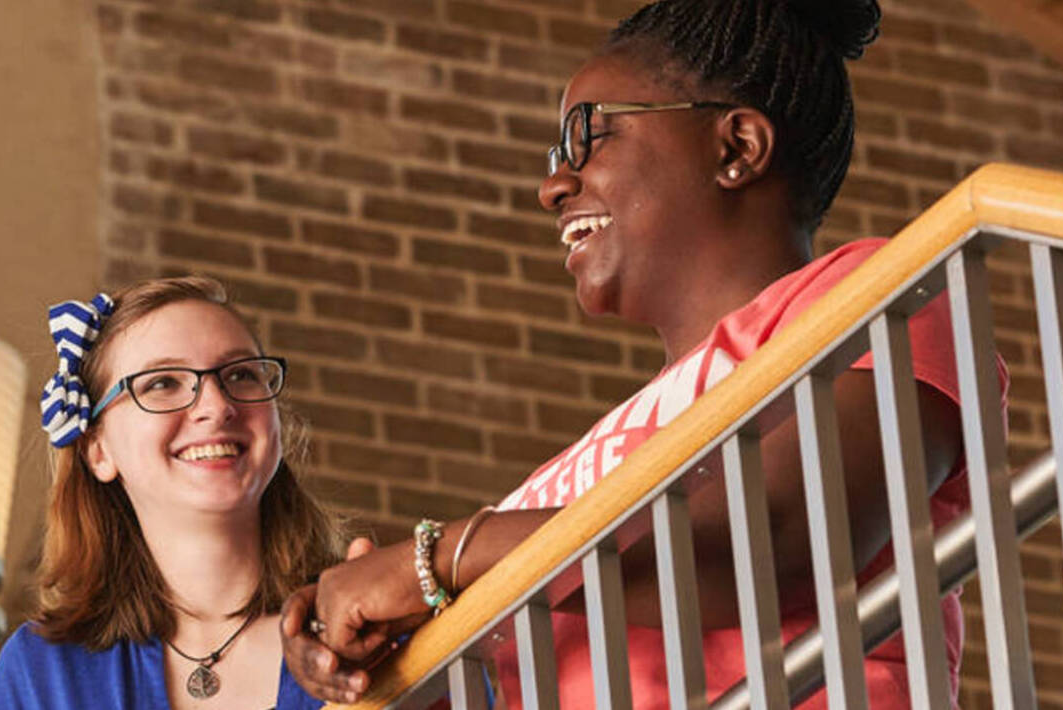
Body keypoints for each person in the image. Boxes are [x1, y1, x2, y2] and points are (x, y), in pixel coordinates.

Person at [279, 0, 990, 707]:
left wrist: (436, 561)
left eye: (588, 136)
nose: (553, 185)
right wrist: (376, 651)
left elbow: (778, 541)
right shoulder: (566, 479)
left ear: (737, 147)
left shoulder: (882, 294)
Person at [0, 276, 352, 709]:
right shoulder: (45, 670)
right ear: (98, 451)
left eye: (240, 374)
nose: (217, 406)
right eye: (162, 383)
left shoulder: (361, 634)